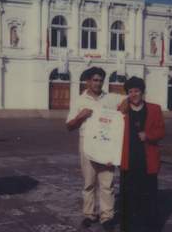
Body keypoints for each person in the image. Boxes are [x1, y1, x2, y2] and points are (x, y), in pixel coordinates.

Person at [66, 67, 127, 232]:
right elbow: (69, 126)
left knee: (107, 182)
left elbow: (129, 102)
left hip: (107, 143)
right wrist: (80, 116)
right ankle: (89, 215)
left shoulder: (111, 98)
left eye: (101, 80)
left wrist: (122, 108)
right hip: (87, 142)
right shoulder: (79, 101)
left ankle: (106, 216)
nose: (98, 83)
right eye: (95, 80)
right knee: (89, 181)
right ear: (87, 82)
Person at [118, 76, 166, 232]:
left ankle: (150, 227)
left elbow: (162, 131)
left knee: (149, 196)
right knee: (129, 197)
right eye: (130, 91)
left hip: (147, 160)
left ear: (142, 92)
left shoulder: (154, 108)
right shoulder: (122, 110)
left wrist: (149, 135)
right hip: (128, 159)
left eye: (136, 91)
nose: (133, 94)